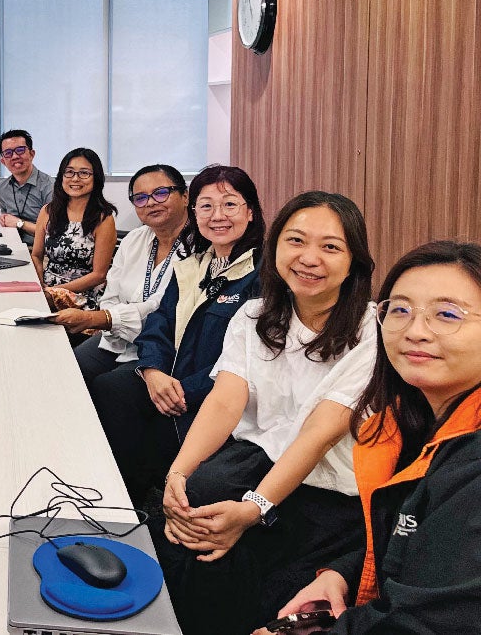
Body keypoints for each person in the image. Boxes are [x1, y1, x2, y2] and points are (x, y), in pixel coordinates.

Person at [154, 191, 377, 634]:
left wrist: (254, 510)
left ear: (354, 262)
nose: (309, 258)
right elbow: (225, 399)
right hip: (259, 464)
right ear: (274, 247)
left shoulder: (371, 331)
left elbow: (320, 433)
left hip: (329, 493)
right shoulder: (254, 316)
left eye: (330, 247)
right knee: (194, 512)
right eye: (296, 240)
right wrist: (175, 475)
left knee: (246, 573)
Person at [257, 241, 481, 634]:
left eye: (447, 315)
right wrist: (342, 575)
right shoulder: (407, 423)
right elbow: (412, 535)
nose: (415, 331)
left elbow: (430, 622)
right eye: (399, 310)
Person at [94, 164, 265, 505]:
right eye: (207, 206)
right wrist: (153, 371)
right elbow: (159, 321)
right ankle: (128, 498)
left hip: (216, 392)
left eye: (229, 205)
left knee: (150, 419)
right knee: (109, 388)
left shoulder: (262, 274)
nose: (218, 215)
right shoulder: (196, 264)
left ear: (250, 211)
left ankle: (153, 493)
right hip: (170, 376)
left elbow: (247, 360)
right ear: (195, 211)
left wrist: (180, 388)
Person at [58, 164, 191, 382]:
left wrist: (104, 318)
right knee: (66, 370)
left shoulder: (198, 247)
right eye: (140, 198)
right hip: (117, 336)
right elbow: (111, 295)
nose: (150, 203)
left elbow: (160, 305)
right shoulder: (133, 240)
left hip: (164, 344)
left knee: (107, 387)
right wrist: (110, 321)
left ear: (185, 196)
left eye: (160, 193)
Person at [30, 148, 117, 311]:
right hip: (48, 289)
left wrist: (56, 292)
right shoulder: (48, 211)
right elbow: (36, 254)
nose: (75, 179)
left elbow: (99, 275)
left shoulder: (104, 218)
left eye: (84, 173)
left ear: (96, 178)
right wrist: (40, 284)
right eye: (69, 172)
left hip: (83, 296)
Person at [0, 129, 53, 246]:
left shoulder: (50, 187)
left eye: (20, 150)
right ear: (3, 161)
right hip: (12, 246)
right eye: (8, 153)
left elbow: (54, 232)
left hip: (43, 252)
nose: (15, 156)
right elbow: (7, 220)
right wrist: (4, 220)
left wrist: (19, 223)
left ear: (32, 154)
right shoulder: (1, 189)